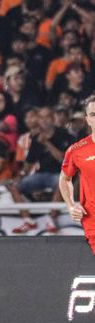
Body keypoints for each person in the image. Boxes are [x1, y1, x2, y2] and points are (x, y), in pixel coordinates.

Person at [60, 95, 95, 254]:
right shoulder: (76, 150)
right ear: (87, 119)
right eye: (93, 115)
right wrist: (70, 205)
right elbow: (64, 178)